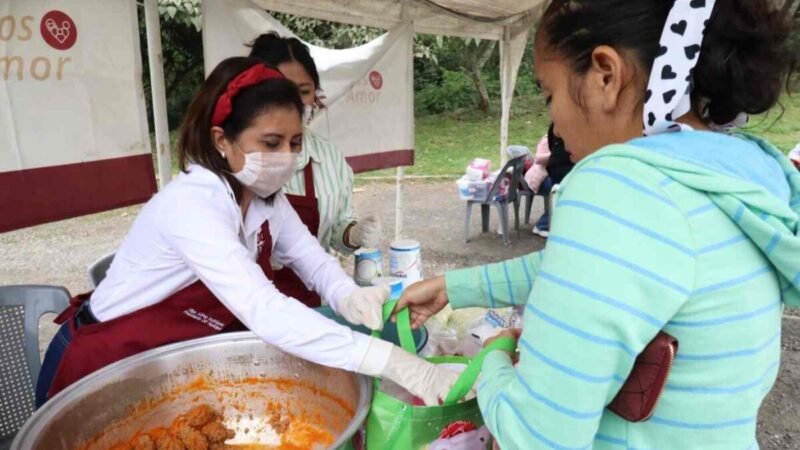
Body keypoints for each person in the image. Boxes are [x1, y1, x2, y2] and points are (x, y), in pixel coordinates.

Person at [398, 0, 799, 448]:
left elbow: (536, 434)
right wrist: (454, 286)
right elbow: (579, 267)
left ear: (605, 75)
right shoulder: (740, 177)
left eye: (550, 95)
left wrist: (494, 359)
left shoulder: (620, 185)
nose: (554, 128)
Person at [35, 58, 458, 408]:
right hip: (103, 362)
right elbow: (264, 309)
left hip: (166, 363)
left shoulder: (263, 197)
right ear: (222, 140)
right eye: (271, 143)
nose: (287, 157)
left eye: (295, 143)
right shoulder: (192, 204)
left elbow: (312, 260)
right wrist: (393, 362)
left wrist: (347, 295)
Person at [248, 33, 381, 307]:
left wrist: (353, 235)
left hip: (307, 303)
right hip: (246, 305)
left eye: (303, 91)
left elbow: (313, 255)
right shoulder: (239, 165)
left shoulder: (329, 158)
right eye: (281, 89)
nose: (293, 102)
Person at [525, 123, 575, 237]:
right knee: (563, 196)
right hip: (556, 168)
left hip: (559, 166)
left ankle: (555, 224)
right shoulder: (559, 127)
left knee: (564, 195)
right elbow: (540, 156)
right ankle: (542, 225)